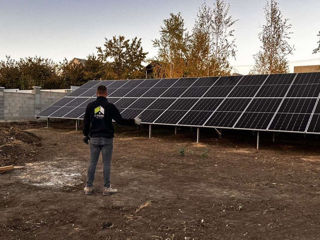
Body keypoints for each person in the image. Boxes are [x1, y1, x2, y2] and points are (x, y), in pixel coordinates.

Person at [82, 85, 141, 195]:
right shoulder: (110, 106)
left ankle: (88, 187)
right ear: (106, 93)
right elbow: (120, 120)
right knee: (106, 164)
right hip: (107, 139)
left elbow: (86, 122)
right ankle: (107, 188)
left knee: (92, 163)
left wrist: (86, 135)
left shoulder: (90, 106)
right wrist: (133, 121)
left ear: (97, 93)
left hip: (94, 139)